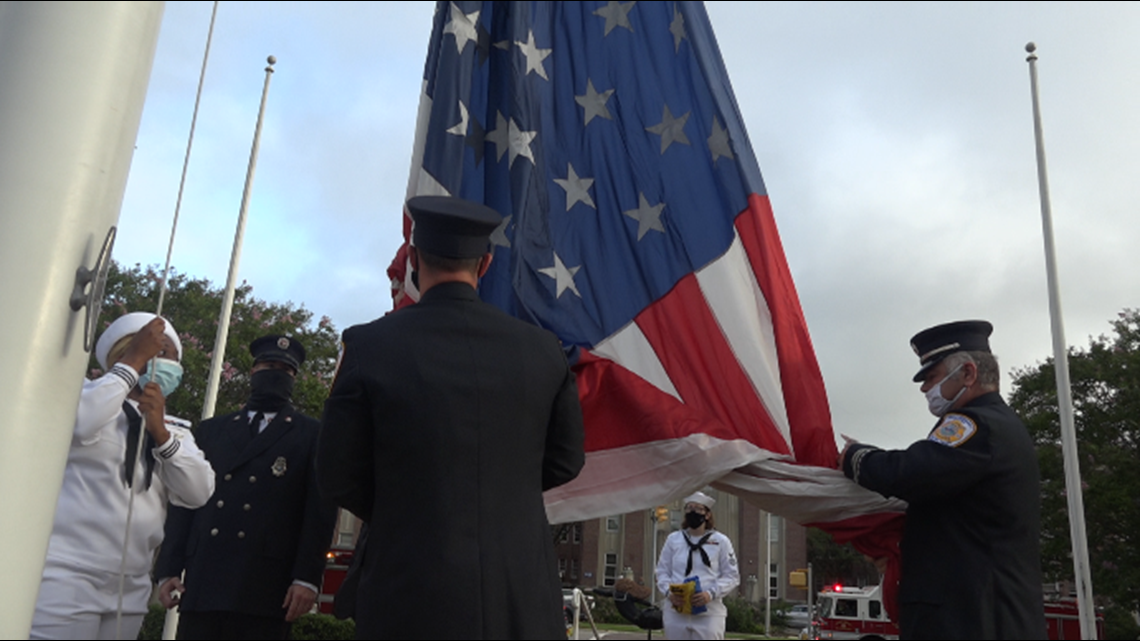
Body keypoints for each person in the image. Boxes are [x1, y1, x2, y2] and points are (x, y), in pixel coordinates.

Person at [318, 195, 586, 639]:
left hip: (407, 587)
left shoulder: (369, 346)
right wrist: (498, 496)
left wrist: (410, 506)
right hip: (518, 589)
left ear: (414, 258)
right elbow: (565, 460)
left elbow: (336, 473)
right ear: (485, 264)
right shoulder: (544, 352)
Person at [839, 320, 1046, 639]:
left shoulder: (977, 426)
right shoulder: (999, 425)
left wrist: (855, 457)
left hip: (973, 621)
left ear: (968, 373)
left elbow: (912, 473)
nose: (924, 389)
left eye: (932, 377)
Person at [31, 313, 215, 640]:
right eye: (152, 351)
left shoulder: (177, 432)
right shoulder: (87, 399)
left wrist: (161, 434)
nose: (161, 360)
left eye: (168, 354)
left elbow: (199, 492)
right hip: (66, 572)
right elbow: (80, 422)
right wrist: (132, 363)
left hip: (130, 581)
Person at [155, 335, 338, 639]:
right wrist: (169, 567)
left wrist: (307, 578)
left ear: (294, 378)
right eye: (269, 365)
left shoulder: (311, 434)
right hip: (205, 578)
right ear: (253, 371)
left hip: (267, 586)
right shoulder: (213, 429)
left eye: (285, 369)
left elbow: (319, 512)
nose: (276, 373)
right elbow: (185, 499)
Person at [654, 491, 740, 640]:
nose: (693, 512)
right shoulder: (674, 539)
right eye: (689, 508)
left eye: (698, 509)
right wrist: (669, 593)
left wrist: (710, 594)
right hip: (676, 611)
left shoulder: (721, 541)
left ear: (707, 515)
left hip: (709, 613)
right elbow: (662, 571)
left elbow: (731, 576)